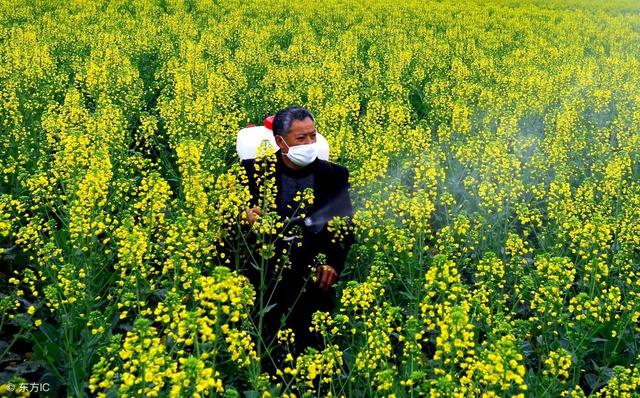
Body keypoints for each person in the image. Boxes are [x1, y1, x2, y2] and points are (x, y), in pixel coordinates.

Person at [239, 105, 354, 357]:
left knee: (311, 348)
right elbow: (228, 220)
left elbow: (344, 228)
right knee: (263, 347)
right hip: (264, 278)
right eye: (301, 138)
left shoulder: (335, 175)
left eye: (313, 135)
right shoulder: (252, 171)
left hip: (312, 280)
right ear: (280, 141)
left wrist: (332, 264)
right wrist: (242, 216)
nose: (309, 143)